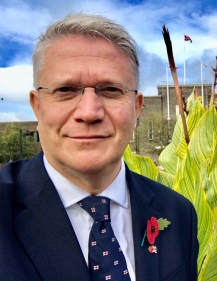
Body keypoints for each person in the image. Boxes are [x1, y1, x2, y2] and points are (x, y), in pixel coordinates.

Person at [0, 13, 198, 281]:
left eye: (110, 90)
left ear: (137, 108)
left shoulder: (177, 212)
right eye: (66, 89)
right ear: (37, 106)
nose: (90, 112)